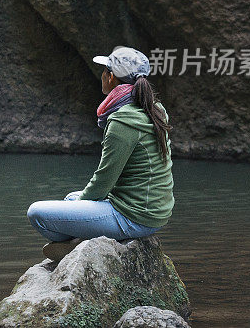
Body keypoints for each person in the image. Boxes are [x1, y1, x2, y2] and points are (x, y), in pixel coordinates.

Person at [27, 46, 174, 262]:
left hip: (133, 216)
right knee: (70, 198)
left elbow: (104, 179)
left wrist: (80, 205)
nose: (102, 76)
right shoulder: (154, 108)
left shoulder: (123, 120)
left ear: (111, 76)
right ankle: (82, 243)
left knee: (37, 214)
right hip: (153, 212)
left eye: (104, 71)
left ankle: (80, 247)